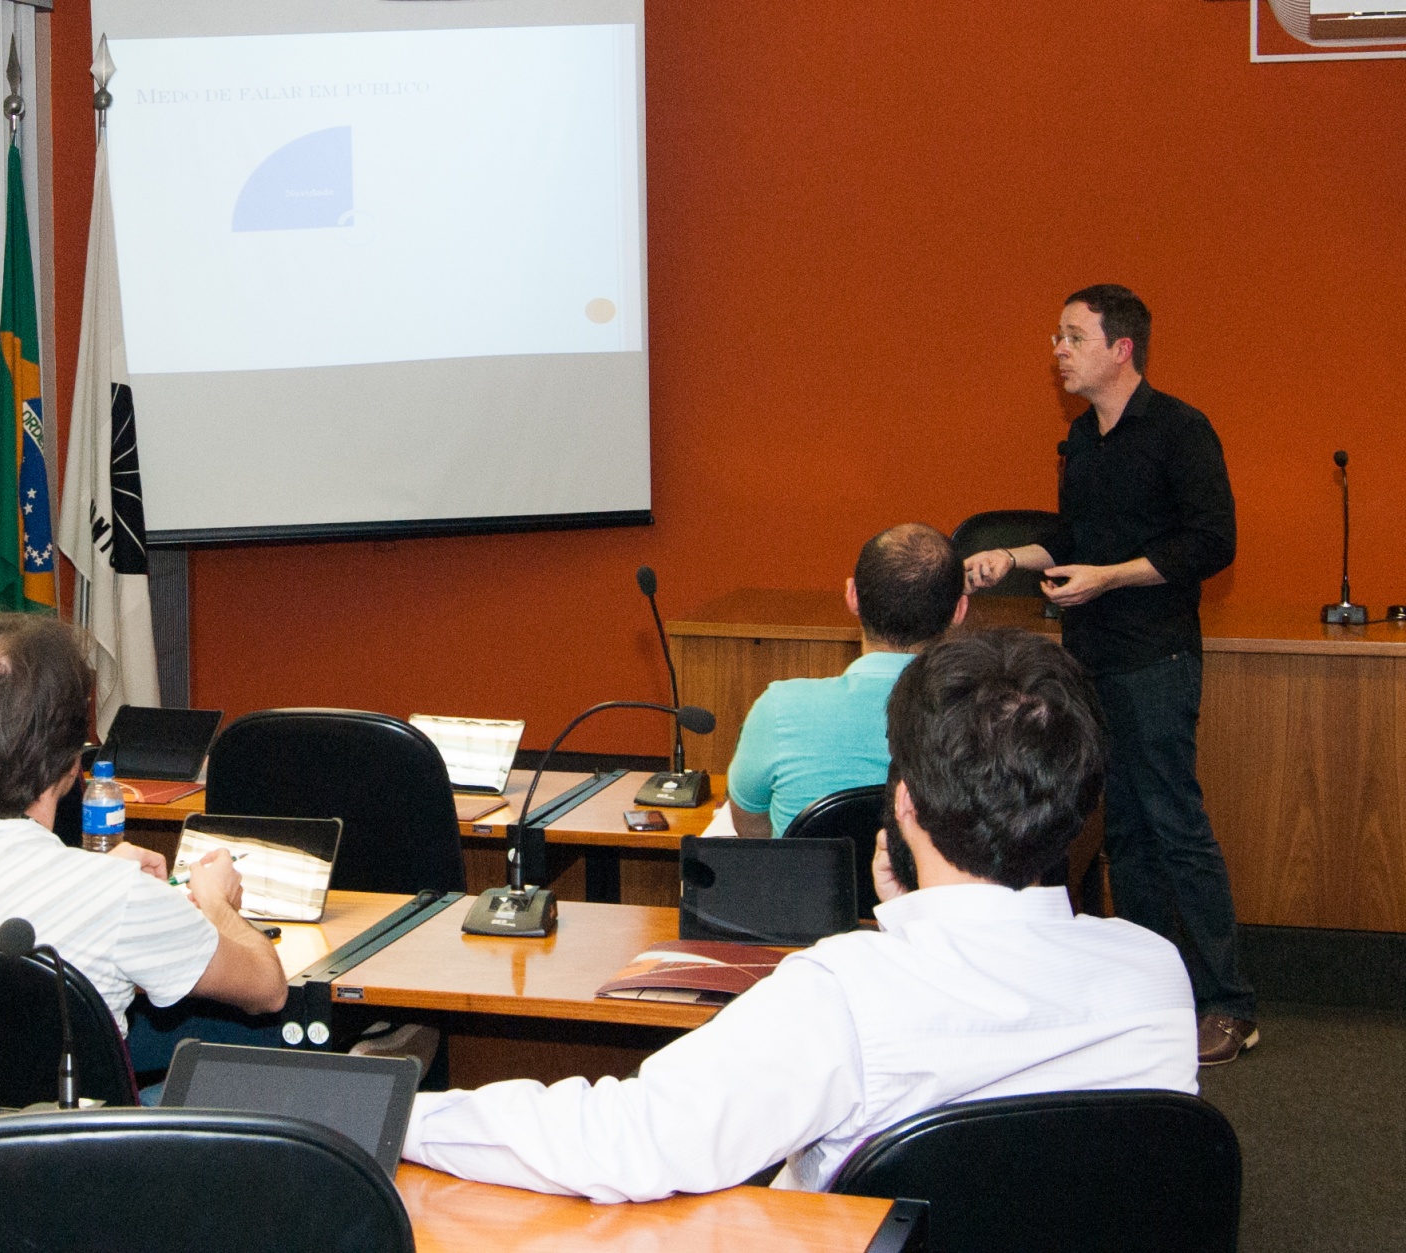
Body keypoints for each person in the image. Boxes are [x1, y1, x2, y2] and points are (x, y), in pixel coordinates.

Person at [403, 629, 1196, 1199]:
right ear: (1076, 809)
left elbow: (626, 1141)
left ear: (906, 807)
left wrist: (392, 1110)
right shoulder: (1154, 973)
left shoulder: (843, 995)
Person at [964, 284, 1254, 1066]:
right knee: (1121, 833)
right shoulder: (1083, 442)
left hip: (1154, 657)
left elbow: (1212, 542)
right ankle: (1156, 993)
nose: (1056, 349)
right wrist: (1015, 558)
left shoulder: (1180, 431)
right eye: (1056, 335)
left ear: (1120, 349)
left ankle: (1228, 1002)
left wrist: (1113, 577)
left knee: (1174, 827)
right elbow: (1072, 538)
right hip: (1091, 660)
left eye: (1071, 336)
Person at [0, 613, 287, 1053]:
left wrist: (90, 874)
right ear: (71, 758)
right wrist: (218, 906)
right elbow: (267, 991)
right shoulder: (118, 895)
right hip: (54, 1134)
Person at [726, 523, 966, 838]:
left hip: (806, 886)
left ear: (852, 596)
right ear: (959, 610)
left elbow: (753, 832)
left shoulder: (778, 709)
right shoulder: (987, 716)